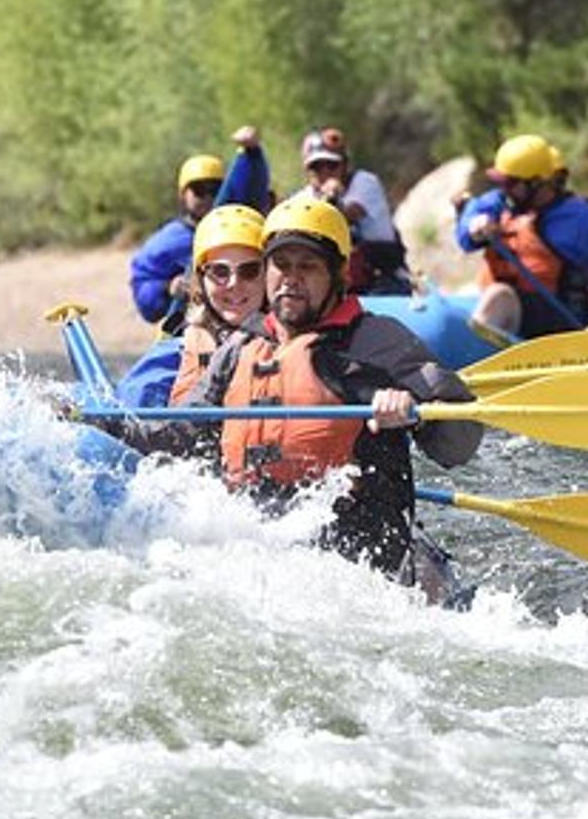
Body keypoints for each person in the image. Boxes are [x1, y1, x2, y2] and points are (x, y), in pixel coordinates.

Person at [117, 196, 482, 600]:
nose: (291, 278)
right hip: (260, 562)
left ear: (337, 275)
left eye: (307, 267)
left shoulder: (378, 342)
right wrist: (97, 423)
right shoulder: (241, 346)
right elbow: (180, 435)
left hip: (359, 576)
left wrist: (417, 416)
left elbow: (462, 440)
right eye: (280, 265)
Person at [453, 134, 588, 338]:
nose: (503, 190)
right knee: (469, 294)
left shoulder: (587, 220)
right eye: (501, 183)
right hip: (512, 313)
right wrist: (472, 227)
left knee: (499, 297)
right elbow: (468, 227)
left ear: (537, 184)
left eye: (511, 184)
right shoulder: (501, 202)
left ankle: (470, 355)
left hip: (563, 323)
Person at [127, 133, 272, 333]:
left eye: (214, 189)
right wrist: (168, 287)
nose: (208, 197)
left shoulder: (238, 226)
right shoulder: (165, 242)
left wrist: (253, 153)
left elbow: (252, 186)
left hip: (247, 326)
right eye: (198, 190)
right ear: (182, 194)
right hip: (191, 328)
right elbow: (144, 292)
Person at [166, 203, 269, 407]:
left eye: (249, 271)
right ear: (201, 280)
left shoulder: (296, 346)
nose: (234, 284)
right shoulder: (172, 356)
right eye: (220, 272)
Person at [298, 126, 411, 295]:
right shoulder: (302, 199)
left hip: (382, 279)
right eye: (316, 167)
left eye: (332, 165)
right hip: (335, 285)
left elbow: (347, 216)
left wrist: (333, 199)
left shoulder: (365, 182)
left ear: (344, 165)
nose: (325, 172)